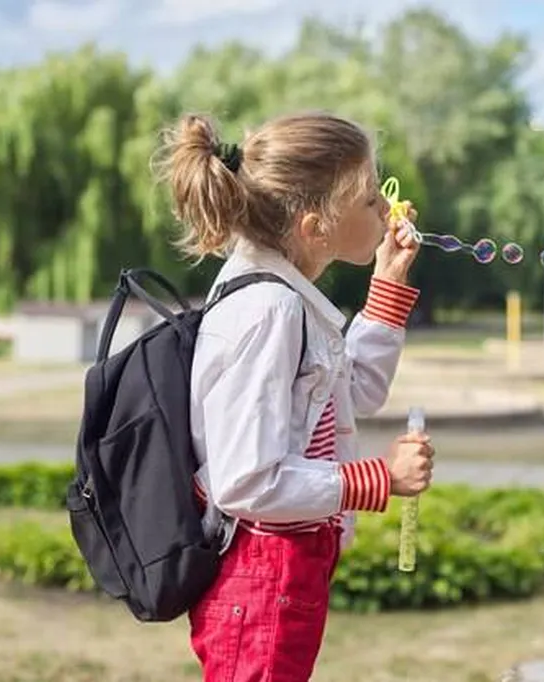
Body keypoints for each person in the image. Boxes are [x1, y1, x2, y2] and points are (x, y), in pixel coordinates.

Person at [155, 111, 435, 681]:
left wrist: (387, 285)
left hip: (281, 570)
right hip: (260, 577)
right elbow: (246, 480)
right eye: (369, 199)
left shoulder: (288, 298)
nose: (386, 208)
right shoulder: (270, 311)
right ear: (315, 228)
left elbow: (354, 393)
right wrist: (379, 478)